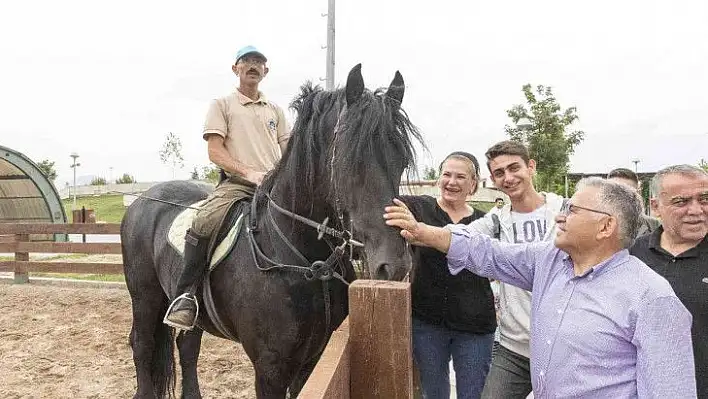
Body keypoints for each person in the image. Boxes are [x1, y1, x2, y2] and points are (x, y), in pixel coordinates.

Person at [385, 177, 697, 398]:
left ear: (606, 226)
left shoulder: (651, 298)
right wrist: (422, 232)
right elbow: (487, 252)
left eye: (573, 210)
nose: (560, 217)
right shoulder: (550, 260)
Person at [164, 45, 291, 330]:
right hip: (238, 185)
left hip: (274, 188)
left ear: (266, 71)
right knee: (204, 221)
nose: (253, 66)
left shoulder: (276, 111)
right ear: (236, 69)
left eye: (259, 62)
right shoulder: (222, 105)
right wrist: (249, 172)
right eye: (247, 61)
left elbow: (289, 149)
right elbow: (215, 152)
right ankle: (186, 295)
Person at [445, 140, 565, 399]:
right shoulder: (496, 220)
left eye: (514, 168)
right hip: (515, 348)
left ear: (531, 167)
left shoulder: (565, 212)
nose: (508, 178)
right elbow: (456, 237)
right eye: (499, 173)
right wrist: (417, 230)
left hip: (564, 349)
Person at [401, 151, 494, 399]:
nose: (452, 182)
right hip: (428, 324)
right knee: (434, 393)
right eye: (446, 174)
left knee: (474, 394)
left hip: (475, 326)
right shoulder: (417, 208)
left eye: (460, 176)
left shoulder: (485, 222)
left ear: (473, 184)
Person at [630, 164, 707, 398]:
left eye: (704, 199)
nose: (696, 210)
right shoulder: (632, 255)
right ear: (655, 207)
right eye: (681, 202)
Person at [607, 167, 660, 237]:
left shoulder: (654, 226)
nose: (620, 197)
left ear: (637, 194)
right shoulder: (592, 225)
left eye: (628, 192)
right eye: (614, 191)